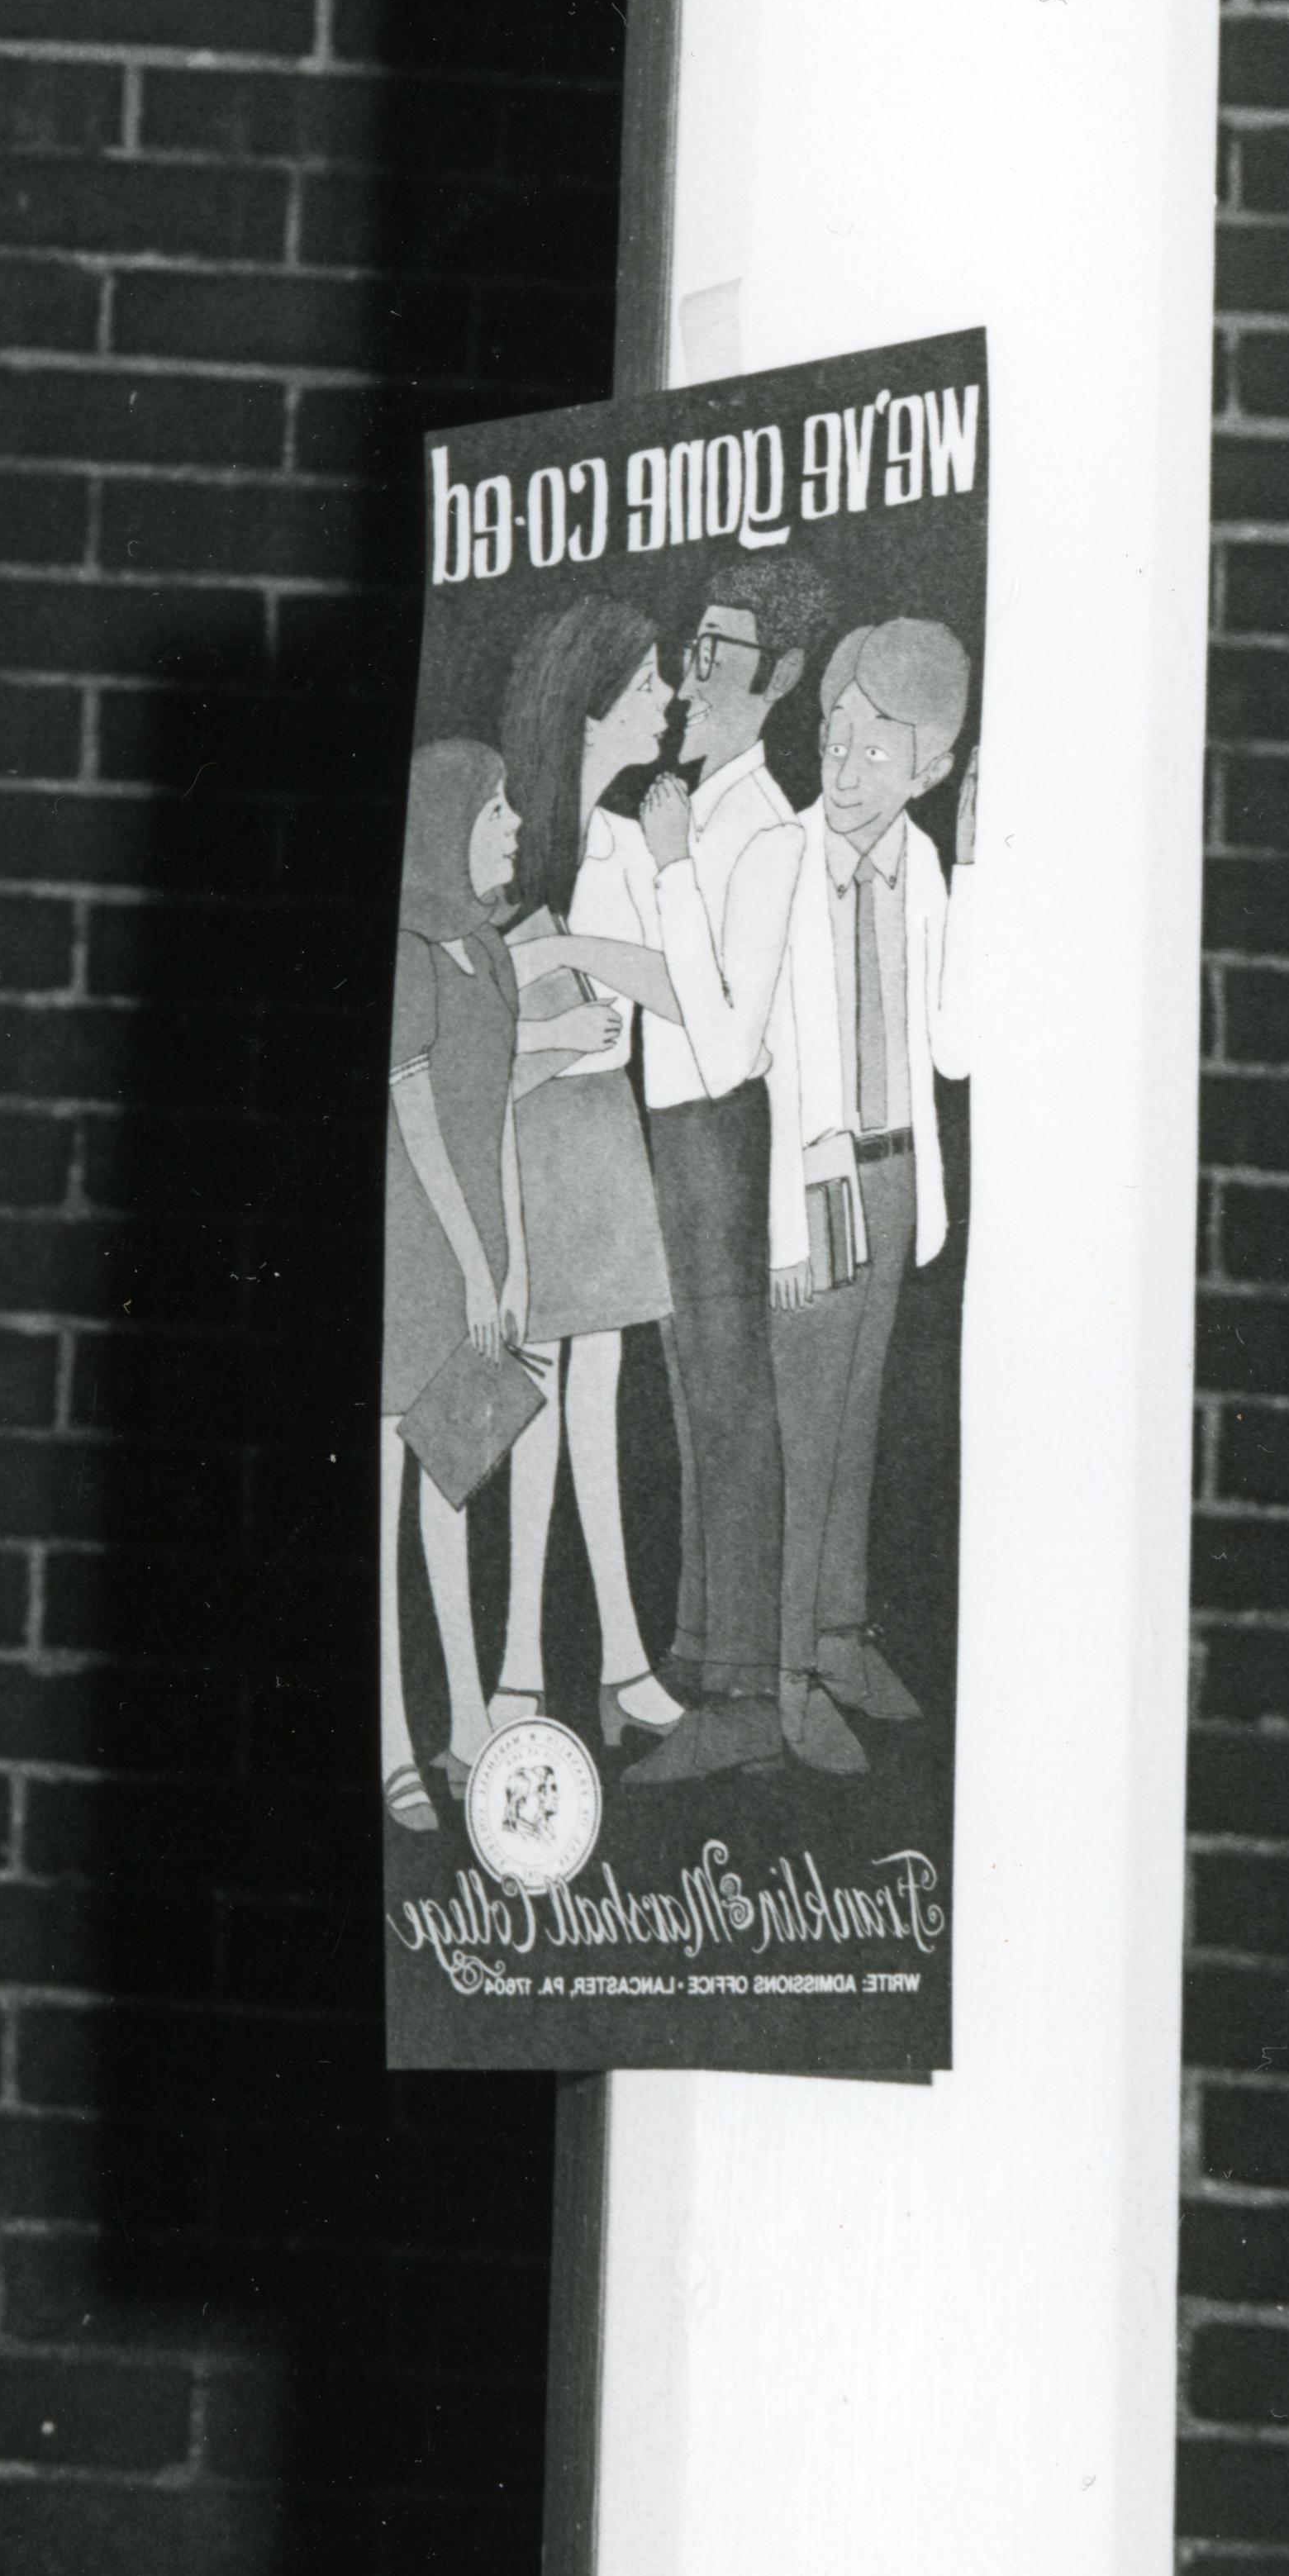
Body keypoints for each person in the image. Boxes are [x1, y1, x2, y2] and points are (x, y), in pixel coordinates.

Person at [622, 550, 834, 1787]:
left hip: (719, 1134)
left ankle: (745, 1693)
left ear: (783, 677)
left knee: (731, 1406)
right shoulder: (695, 808)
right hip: (667, 1127)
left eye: (722, 655)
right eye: (692, 648)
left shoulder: (756, 830)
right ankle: (707, 1654)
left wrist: (666, 870)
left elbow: (723, 1034)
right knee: (692, 1401)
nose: (693, 676)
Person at [768, 619, 980, 1748]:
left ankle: (842, 1641)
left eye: (876, 757)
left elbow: (954, 1048)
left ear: (931, 774)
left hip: (898, 1178)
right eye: (836, 745)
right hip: (818, 1181)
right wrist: (792, 1228)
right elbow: (769, 1053)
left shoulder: (929, 866)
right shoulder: (783, 855)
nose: (846, 776)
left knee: (856, 1426)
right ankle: (790, 1678)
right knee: (804, 1440)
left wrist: (982, 869)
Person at [488, 597, 693, 1756]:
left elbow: (664, 988)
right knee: (530, 1400)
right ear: (594, 702)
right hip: (530, 1133)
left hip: (602, 1135)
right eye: (651, 683)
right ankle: (520, 1665)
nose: (665, 700)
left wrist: (563, 955)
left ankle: (619, 1662)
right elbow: (480, 1018)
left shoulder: (617, 843)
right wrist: (563, 1005)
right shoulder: (511, 831)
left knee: (598, 1403)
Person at [378, 739, 530, 1830]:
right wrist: (477, 1264)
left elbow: (503, 1118)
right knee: (391, 1503)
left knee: (454, 1493)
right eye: (496, 808)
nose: (516, 823)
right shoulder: (410, 952)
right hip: (418, 1258)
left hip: (483, 1260)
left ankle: (469, 1722)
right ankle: (393, 1743)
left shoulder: (495, 952)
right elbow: (419, 1123)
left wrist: (515, 1253)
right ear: (446, 825)